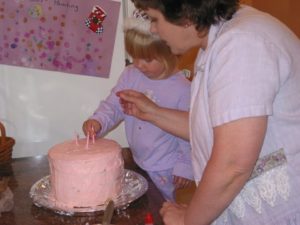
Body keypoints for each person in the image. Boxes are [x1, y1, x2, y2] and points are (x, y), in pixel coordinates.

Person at [117, 0, 300, 224]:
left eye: (155, 19)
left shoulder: (242, 45)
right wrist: (152, 113)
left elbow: (233, 163)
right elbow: (215, 129)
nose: (153, 29)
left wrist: (189, 220)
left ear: (185, 15)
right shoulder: (221, 41)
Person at [82, 9, 194, 202]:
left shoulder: (183, 89)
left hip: (168, 167)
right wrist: (98, 121)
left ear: (171, 53)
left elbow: (190, 132)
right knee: (147, 205)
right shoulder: (130, 75)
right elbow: (113, 105)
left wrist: (185, 166)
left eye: (147, 59)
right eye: (134, 56)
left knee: (166, 207)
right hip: (139, 160)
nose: (139, 64)